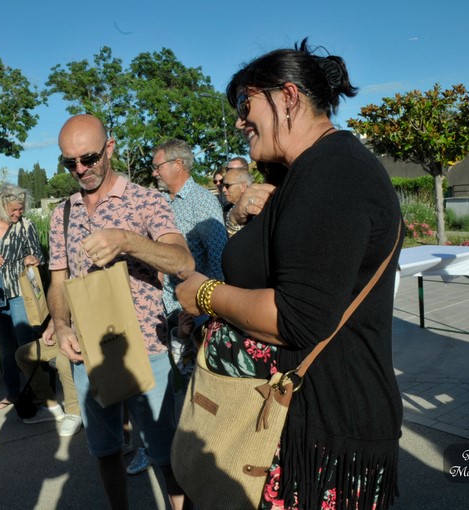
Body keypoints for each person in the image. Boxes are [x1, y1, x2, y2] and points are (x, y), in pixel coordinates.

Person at [175, 39, 402, 510]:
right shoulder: (300, 173)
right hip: (287, 416)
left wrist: (204, 295)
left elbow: (294, 317)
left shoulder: (334, 172)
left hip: (321, 426)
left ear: (290, 96)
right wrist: (242, 219)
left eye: (245, 103)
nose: (239, 121)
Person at [48, 114, 194, 510]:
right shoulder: (62, 213)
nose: (80, 169)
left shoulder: (147, 200)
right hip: (90, 352)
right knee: (106, 451)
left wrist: (127, 241)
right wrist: (60, 324)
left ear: (109, 148)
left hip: (146, 349)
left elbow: (183, 262)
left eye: (89, 158)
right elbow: (58, 280)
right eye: (69, 162)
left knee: (166, 457)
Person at [151, 138, 227, 373]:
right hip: (170, 310)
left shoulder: (200, 200)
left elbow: (218, 255)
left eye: (158, 167)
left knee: (195, 386)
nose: (154, 174)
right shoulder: (164, 202)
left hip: (194, 313)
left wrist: (206, 308)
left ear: (178, 164)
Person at [0, 184, 43, 411]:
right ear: (1, 206)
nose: (17, 214)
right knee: (5, 345)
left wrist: (33, 258)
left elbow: (38, 253)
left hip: (19, 291)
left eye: (20, 209)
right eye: (13, 210)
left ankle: (37, 390)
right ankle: (13, 392)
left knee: (26, 342)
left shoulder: (26, 226)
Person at [222, 163, 254, 237]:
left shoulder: (257, 211)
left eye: (227, 186)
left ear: (243, 186)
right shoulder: (225, 210)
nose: (223, 189)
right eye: (223, 185)